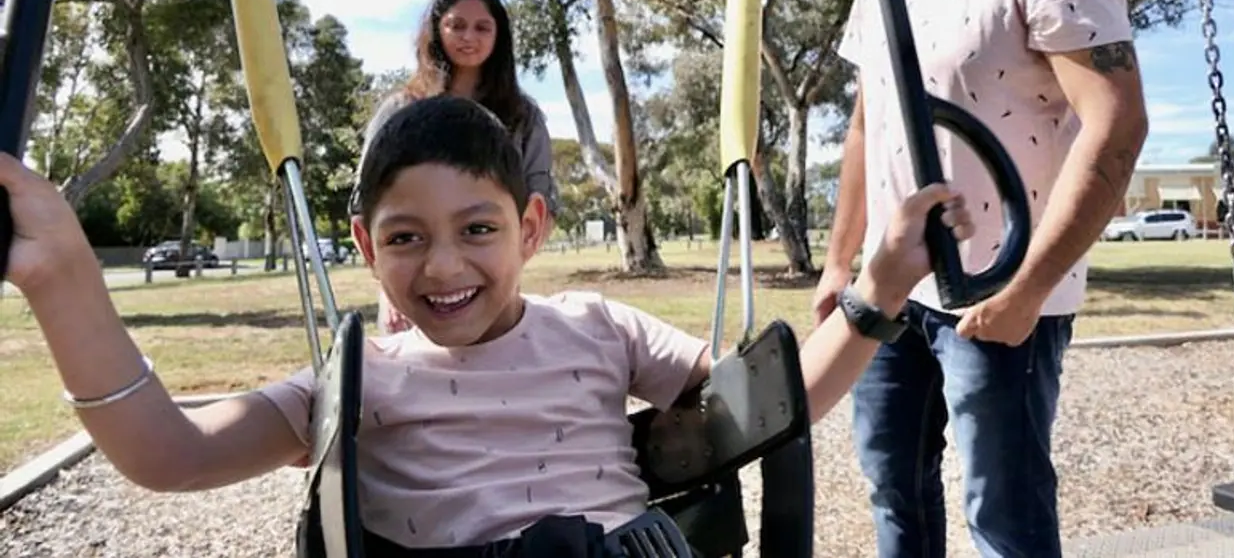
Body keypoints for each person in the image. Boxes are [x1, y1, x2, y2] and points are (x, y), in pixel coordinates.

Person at [2, 94, 973, 555]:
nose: (443, 266)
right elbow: (170, 453)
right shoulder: (360, 379)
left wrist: (879, 287)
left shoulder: (598, 328)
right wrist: (62, 276)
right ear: (365, 244)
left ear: (531, 227)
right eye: (406, 237)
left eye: (477, 229)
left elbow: (772, 404)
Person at [811, 0, 1150, 557]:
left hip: (1001, 295)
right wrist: (841, 264)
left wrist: (1028, 292)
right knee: (893, 488)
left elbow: (1117, 126)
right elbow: (869, 123)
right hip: (893, 287)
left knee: (1003, 514)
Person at [354, 0, 560, 334]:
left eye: (482, 28)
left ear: (499, 36)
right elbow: (365, 204)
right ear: (437, 30)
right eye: (457, 26)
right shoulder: (400, 109)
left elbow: (541, 200)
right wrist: (388, 288)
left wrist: (503, 277)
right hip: (413, 302)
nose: (469, 37)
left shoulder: (523, 117)